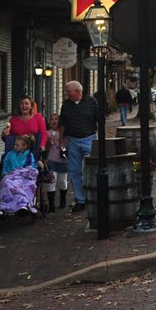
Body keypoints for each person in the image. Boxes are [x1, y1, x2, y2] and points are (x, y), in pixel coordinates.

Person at [58, 80, 100, 213]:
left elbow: (99, 119)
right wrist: (62, 139)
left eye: (68, 92)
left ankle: (93, 197)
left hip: (89, 138)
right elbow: (62, 122)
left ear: (78, 91)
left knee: (91, 169)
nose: (66, 94)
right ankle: (80, 200)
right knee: (75, 171)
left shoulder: (92, 101)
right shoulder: (66, 104)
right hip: (72, 141)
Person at [0, 134, 40, 216]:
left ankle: (22, 205)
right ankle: (3, 207)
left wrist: (36, 164)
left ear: (25, 146)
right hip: (11, 176)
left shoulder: (29, 156)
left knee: (21, 185)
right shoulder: (9, 154)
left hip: (24, 177)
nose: (14, 146)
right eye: (14, 144)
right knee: (7, 183)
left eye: (17, 145)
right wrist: (5, 174)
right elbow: (5, 166)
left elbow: (31, 169)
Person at [2, 96, 47, 161]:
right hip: (17, 150)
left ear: (31, 106)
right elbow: (6, 138)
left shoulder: (38, 117)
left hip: (33, 148)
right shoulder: (13, 119)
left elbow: (43, 133)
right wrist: (4, 133)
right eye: (22, 103)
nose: (24, 106)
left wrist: (42, 145)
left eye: (26, 103)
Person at [43, 113, 69, 211]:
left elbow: (68, 145)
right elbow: (45, 148)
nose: (54, 121)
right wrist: (50, 142)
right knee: (51, 181)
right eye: (52, 119)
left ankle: (63, 200)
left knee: (62, 181)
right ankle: (51, 205)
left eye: (56, 119)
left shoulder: (65, 133)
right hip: (52, 160)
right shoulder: (47, 133)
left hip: (63, 161)